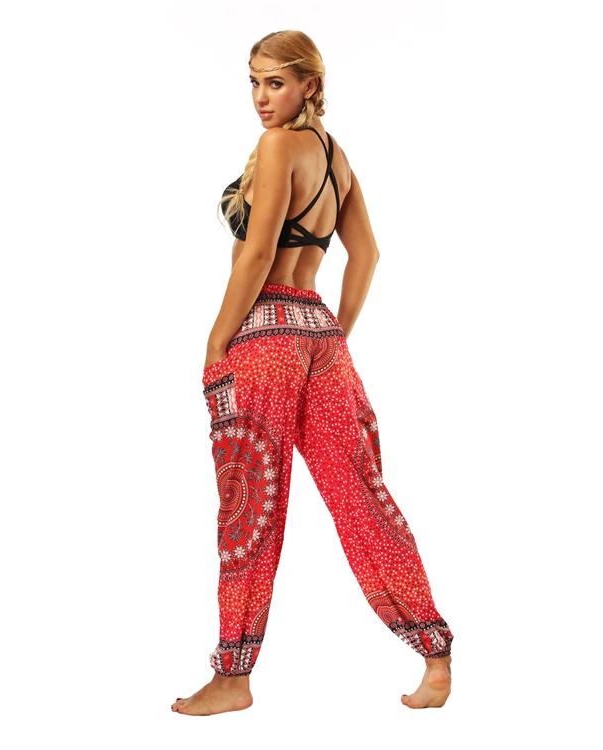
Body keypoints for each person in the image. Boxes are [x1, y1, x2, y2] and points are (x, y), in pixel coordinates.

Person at [172, 30, 453, 716]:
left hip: (264, 338)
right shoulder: (336, 156)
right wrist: (332, 337)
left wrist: (215, 342)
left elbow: (257, 252)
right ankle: (435, 657)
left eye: (275, 82)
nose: (261, 97)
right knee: (363, 497)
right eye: (254, 81)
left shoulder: (277, 147)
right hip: (320, 333)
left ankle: (233, 677)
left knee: (250, 510)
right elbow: (367, 255)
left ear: (310, 85)